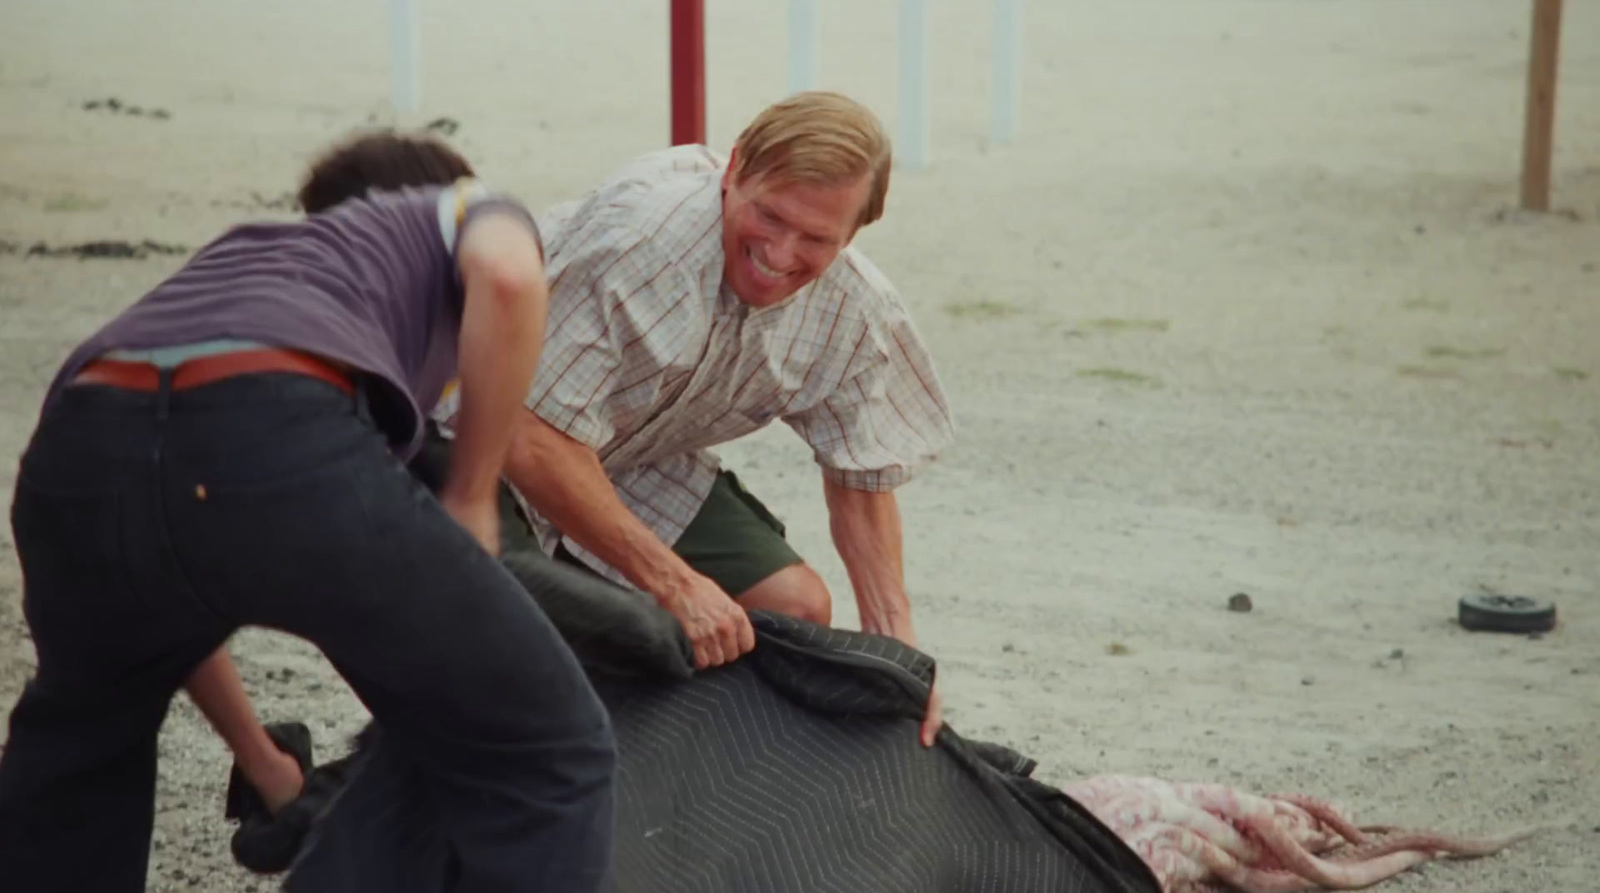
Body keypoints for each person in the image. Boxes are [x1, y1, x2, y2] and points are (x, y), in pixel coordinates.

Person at [0, 129, 618, 892]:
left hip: (81, 450)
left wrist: (263, 759)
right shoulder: (461, 205)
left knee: (83, 749)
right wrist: (470, 493)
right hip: (273, 419)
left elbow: (169, 605)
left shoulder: (249, 263)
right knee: (545, 745)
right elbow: (511, 275)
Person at [433, 90, 957, 746]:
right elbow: (528, 432)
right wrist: (674, 582)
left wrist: (901, 658)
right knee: (513, 655)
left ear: (853, 235)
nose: (781, 252)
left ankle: (674, 787)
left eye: (818, 238)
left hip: (620, 452)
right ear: (734, 169)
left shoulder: (857, 310)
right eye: (769, 214)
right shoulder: (644, 239)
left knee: (792, 608)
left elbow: (863, 479)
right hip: (469, 430)